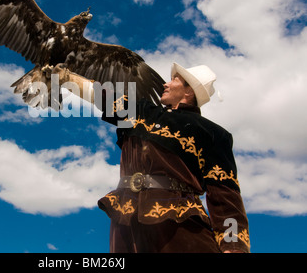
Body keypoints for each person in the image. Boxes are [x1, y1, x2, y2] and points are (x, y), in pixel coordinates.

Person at [53, 62, 250, 253]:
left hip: (178, 220)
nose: (165, 83)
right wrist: (67, 78)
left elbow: (225, 195)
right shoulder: (142, 112)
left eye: (174, 80)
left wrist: (233, 246)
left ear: (189, 91)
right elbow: (105, 97)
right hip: (126, 217)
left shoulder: (212, 133)